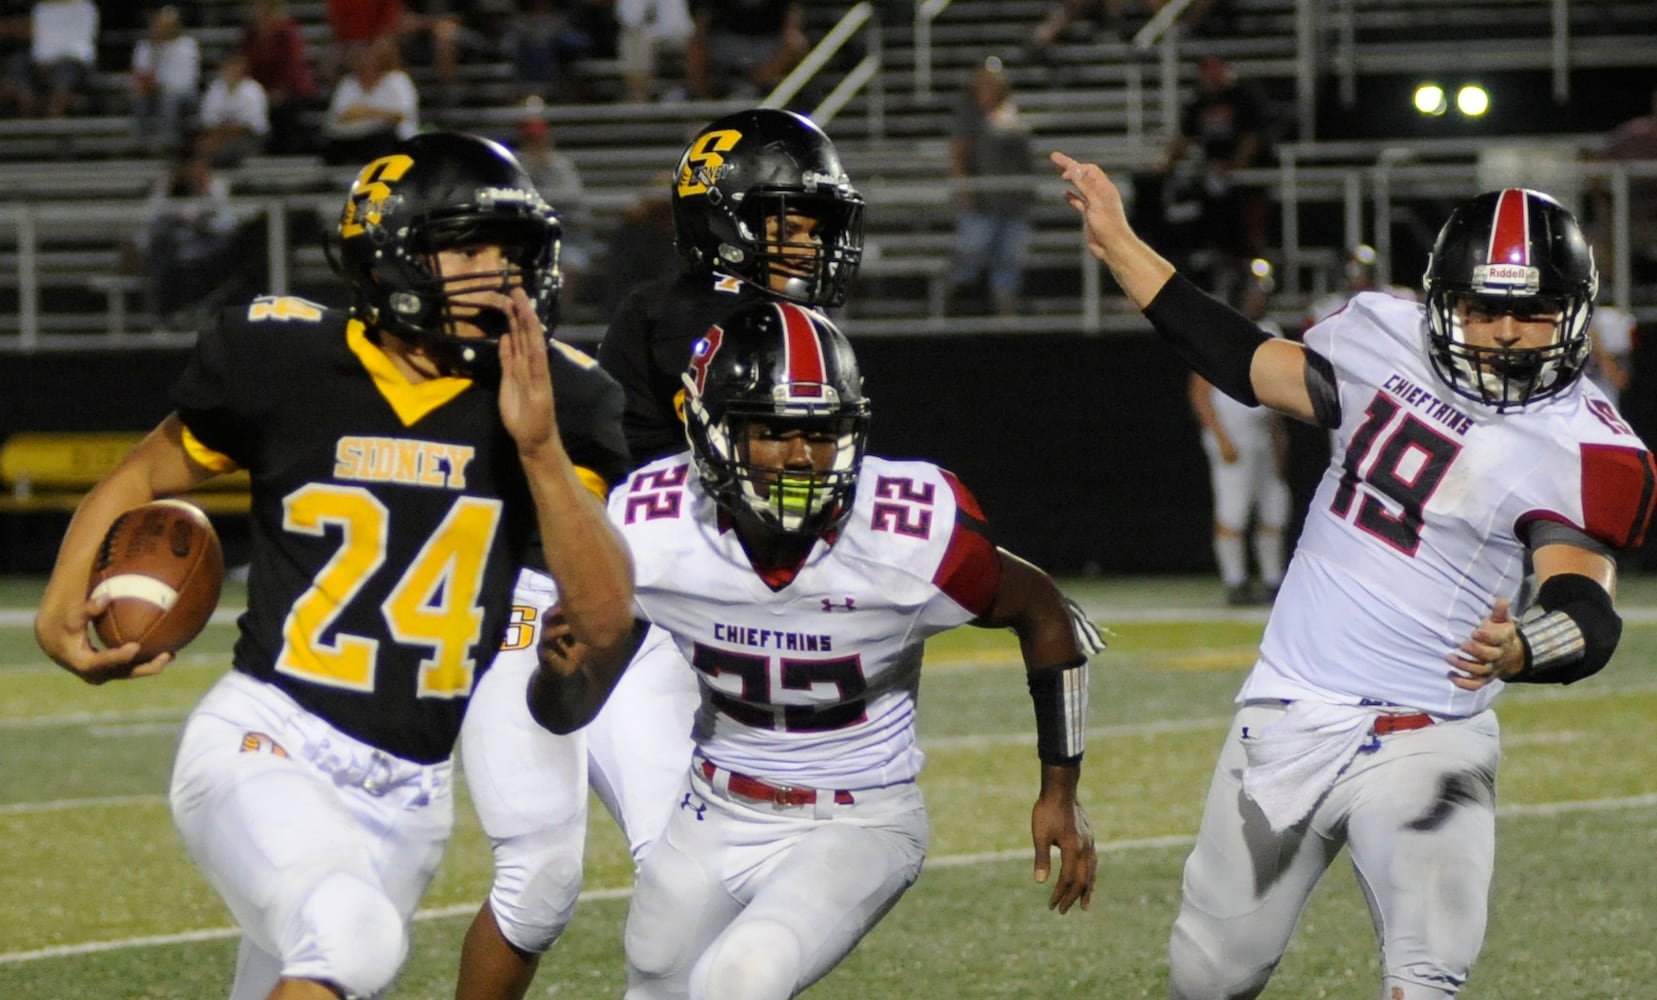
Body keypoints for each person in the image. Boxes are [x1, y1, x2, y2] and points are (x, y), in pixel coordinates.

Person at [34, 131, 635, 1000]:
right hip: (270, 737)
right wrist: (64, 593)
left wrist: (537, 448)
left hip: (411, 799)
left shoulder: (560, 398)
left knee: (318, 958)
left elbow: (607, 615)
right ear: (393, 255)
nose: (498, 275)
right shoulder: (286, 357)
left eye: (509, 252)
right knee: (351, 938)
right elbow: (139, 474)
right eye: (469, 248)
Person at [1054, 152, 1657, 997]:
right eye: (1484, 310)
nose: (1508, 333)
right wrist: (1118, 242)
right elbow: (1241, 358)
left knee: (1427, 972)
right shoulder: (1378, 337)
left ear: (1574, 313)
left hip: (1430, 729)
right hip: (1289, 712)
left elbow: (1583, 603)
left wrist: (1528, 644)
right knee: (1209, 974)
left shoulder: (1585, 442)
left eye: (1534, 310)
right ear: (1445, 302)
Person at [528, 299, 1099, 1000]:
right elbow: (568, 710)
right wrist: (553, 675)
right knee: (653, 981)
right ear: (712, 434)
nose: (802, 456)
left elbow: (1044, 614)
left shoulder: (910, 533)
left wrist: (1059, 792)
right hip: (712, 808)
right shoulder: (650, 527)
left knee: (740, 980)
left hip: (858, 817)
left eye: (821, 432)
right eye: (773, 431)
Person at [453, 106, 870, 1000]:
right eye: (785, 220)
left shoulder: (766, 325)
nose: (806, 242)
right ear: (725, 218)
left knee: (687, 877)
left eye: (814, 223)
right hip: (569, 607)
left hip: (668, 615)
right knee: (543, 881)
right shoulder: (695, 321)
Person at [1188, 258, 1288, 606]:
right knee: (1234, 510)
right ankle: (1236, 581)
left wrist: (1279, 438)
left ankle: (1273, 578)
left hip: (1262, 430)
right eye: (1254, 290)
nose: (1259, 297)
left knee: (1274, 507)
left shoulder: (1272, 329)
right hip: (1233, 432)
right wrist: (1221, 437)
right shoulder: (1220, 329)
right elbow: (1200, 392)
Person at [1155, 55, 1272, 284]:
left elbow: (1252, 136)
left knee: (1246, 228)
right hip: (1213, 176)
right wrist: (1165, 162)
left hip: (1245, 178)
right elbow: (1185, 138)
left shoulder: (1242, 96)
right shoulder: (1200, 101)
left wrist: (1234, 166)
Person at [947, 55, 1035, 318]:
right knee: (973, 253)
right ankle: (958, 306)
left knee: (1008, 259)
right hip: (982, 201)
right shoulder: (969, 116)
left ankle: (1005, 309)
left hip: (1012, 201)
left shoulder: (1012, 114)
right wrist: (965, 187)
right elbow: (959, 153)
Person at [321, 35, 419, 166]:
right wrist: (375, 114)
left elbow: (401, 115)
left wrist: (366, 111)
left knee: (381, 143)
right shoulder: (348, 83)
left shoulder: (398, 81)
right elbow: (340, 115)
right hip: (353, 137)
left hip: (391, 138)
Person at [685, 0, 806, 101]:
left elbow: (793, 16)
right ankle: (705, 102)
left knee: (796, 43)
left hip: (768, 42)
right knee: (694, 44)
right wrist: (699, 39)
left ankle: (753, 85)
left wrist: (790, 35)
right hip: (726, 42)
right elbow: (702, 20)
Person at [240, 0, 317, 156]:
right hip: (260, 89)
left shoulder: (287, 32)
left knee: (282, 108)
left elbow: (292, 64)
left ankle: (285, 153)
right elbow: (244, 62)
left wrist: (279, 90)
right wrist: (257, 91)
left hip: (291, 88)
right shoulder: (251, 34)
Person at [0, 0, 98, 118]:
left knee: (65, 70)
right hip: (41, 62)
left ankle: (54, 117)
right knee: (17, 62)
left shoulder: (84, 8)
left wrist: (51, 61)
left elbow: (78, 43)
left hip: (72, 61)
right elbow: (33, 32)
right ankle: (30, 109)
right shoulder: (42, 8)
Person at [129, 5, 199, 154]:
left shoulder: (188, 45)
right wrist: (155, 50)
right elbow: (142, 76)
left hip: (184, 93)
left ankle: (166, 143)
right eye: (159, 25)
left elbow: (187, 80)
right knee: (139, 97)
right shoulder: (145, 47)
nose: (163, 29)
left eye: (167, 25)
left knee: (169, 98)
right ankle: (140, 143)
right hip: (156, 90)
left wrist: (164, 87)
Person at [195, 52, 270, 168]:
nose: (232, 69)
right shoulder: (216, 88)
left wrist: (220, 136)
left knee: (223, 152)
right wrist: (214, 137)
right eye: (229, 65)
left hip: (249, 136)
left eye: (235, 65)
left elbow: (248, 125)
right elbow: (208, 118)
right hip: (217, 135)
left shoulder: (253, 90)